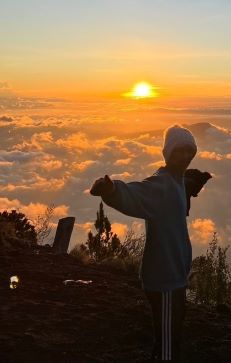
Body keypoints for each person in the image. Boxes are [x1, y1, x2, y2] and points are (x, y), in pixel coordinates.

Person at [89, 125, 211, 362]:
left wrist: (197, 179)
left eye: (189, 151)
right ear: (167, 153)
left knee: (170, 337)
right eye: (179, 151)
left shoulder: (177, 181)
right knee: (168, 348)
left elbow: (186, 183)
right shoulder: (161, 184)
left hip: (176, 276)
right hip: (164, 279)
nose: (185, 156)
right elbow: (135, 193)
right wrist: (111, 190)